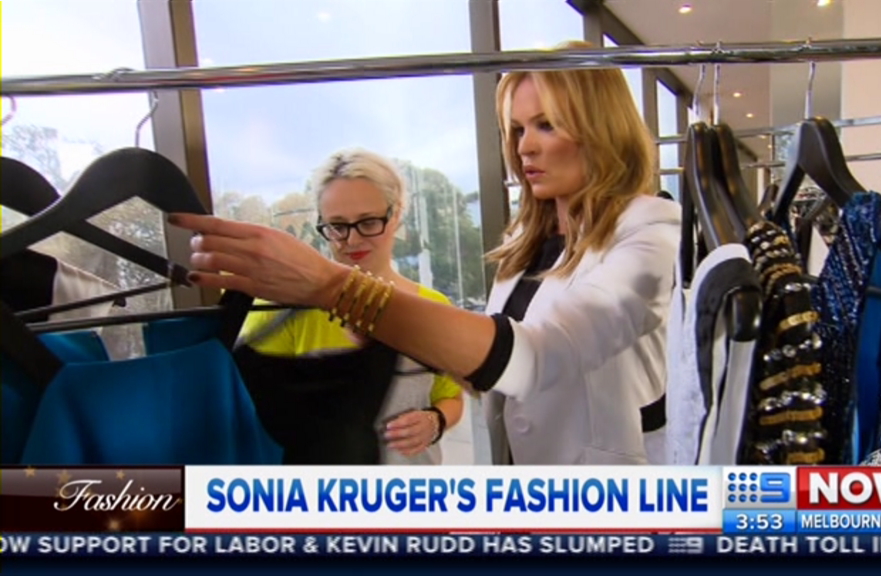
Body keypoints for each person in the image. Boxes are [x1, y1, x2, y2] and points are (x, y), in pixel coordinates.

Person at [170, 41, 681, 465]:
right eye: (518, 129)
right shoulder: (525, 248)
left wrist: (336, 288)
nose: (525, 147)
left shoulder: (651, 229)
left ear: (600, 128)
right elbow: (489, 380)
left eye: (547, 125)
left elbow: (542, 357)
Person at [237, 148, 464, 465]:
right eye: (337, 226)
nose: (352, 240)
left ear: (396, 214)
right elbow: (247, 415)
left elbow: (450, 397)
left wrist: (435, 421)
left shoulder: (433, 308)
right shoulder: (281, 309)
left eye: (368, 222)